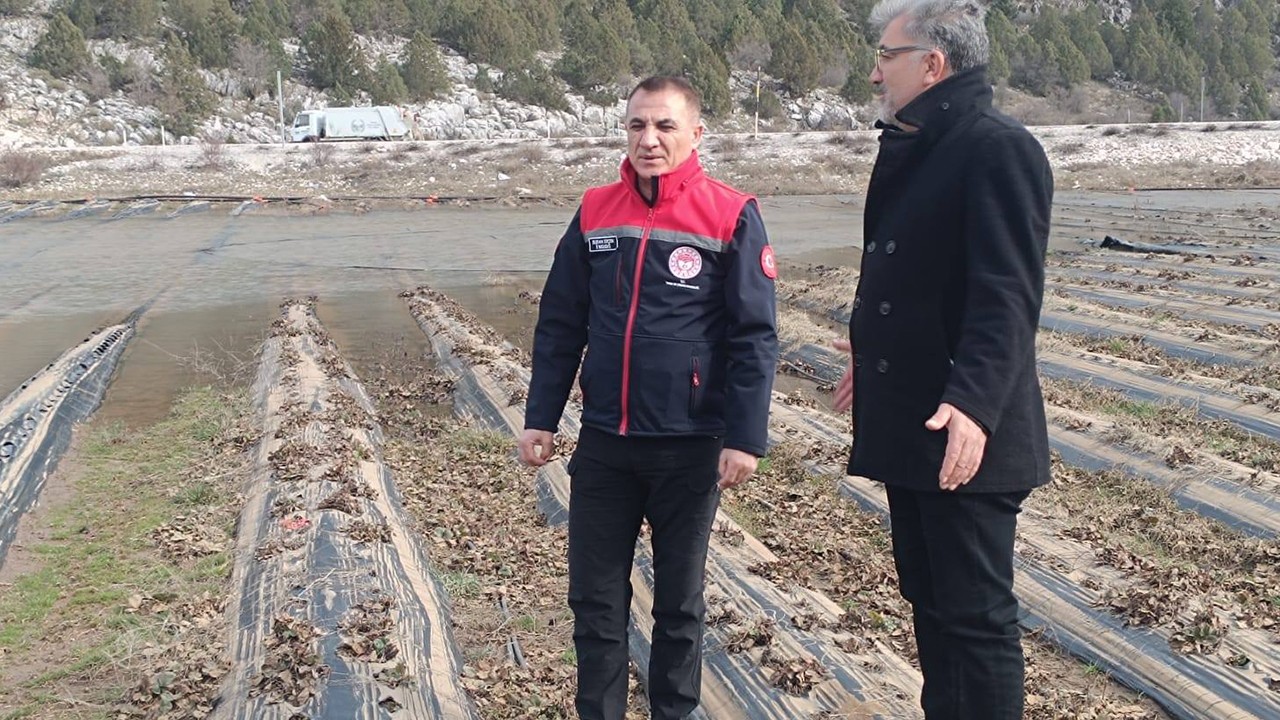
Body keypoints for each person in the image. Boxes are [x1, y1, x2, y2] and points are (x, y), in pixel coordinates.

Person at [518, 76, 778, 720]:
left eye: (664, 126)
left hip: (689, 448)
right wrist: (540, 418)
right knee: (595, 603)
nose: (649, 139)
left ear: (696, 133)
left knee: (679, 606)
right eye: (637, 125)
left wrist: (745, 437)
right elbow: (560, 323)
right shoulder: (595, 210)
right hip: (607, 444)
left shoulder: (730, 213)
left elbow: (755, 335)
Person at [831, 1, 1053, 718]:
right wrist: (868, 352)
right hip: (915, 417)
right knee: (931, 600)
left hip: (963, 428)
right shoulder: (922, 141)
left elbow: (1006, 298)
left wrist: (974, 406)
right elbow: (919, 281)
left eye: (886, 56)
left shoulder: (996, 148)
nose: (874, 72)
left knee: (976, 618)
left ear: (933, 63)